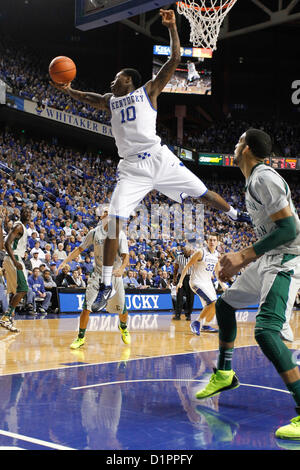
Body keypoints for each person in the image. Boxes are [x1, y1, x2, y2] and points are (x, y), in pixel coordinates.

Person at [52, 8, 250, 313]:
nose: (112, 80)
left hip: (159, 158)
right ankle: (106, 282)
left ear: (128, 80)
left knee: (204, 193)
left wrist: (172, 28)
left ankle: (236, 214)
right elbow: (88, 97)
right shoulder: (110, 100)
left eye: (117, 78)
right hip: (131, 168)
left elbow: (173, 61)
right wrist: (68, 90)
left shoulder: (149, 90)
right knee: (114, 221)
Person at [196, 128, 300, 441]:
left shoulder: (263, 177)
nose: (236, 142)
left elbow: (290, 228)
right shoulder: (252, 180)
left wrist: (243, 255)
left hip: (286, 259)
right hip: (269, 259)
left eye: (240, 139)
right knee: (225, 307)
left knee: (265, 331)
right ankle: (225, 373)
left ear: (248, 149)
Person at [57, 212, 130, 349]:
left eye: (107, 212)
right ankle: (80, 337)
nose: (104, 214)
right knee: (86, 308)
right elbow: (80, 248)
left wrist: (122, 269)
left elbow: (126, 257)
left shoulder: (119, 234)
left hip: (114, 275)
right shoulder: (94, 233)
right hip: (97, 274)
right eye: (103, 213)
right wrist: (65, 261)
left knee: (122, 311)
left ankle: (123, 327)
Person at [177, 233, 225, 333]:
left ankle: (206, 326)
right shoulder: (200, 252)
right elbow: (187, 266)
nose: (212, 242)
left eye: (214, 240)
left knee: (214, 306)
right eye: (210, 240)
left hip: (207, 283)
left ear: (217, 242)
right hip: (196, 282)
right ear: (207, 241)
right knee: (212, 302)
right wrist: (180, 281)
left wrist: (223, 285)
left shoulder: (216, 255)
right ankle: (196, 322)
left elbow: (217, 272)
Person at [1, 207, 31, 332]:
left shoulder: (21, 228)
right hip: (14, 259)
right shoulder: (18, 226)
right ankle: (6, 317)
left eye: (29, 213)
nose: (27, 214)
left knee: (16, 290)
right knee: (24, 289)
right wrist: (15, 261)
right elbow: (7, 243)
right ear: (20, 214)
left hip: (14, 258)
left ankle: (8, 321)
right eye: (25, 212)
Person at [173, 245, 195, 321]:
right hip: (181, 278)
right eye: (186, 251)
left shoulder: (194, 257)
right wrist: (174, 278)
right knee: (179, 296)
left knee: (190, 297)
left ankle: (188, 314)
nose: (188, 252)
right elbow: (175, 269)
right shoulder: (179, 257)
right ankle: (177, 314)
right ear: (184, 251)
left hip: (190, 278)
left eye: (189, 251)